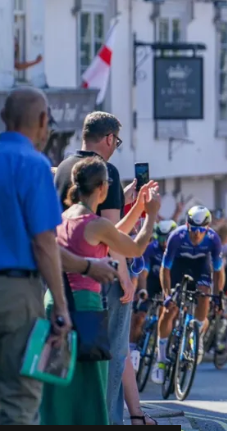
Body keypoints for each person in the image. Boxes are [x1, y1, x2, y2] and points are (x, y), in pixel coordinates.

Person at [40, 157, 160, 425]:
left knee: (59, 384)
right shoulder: (95, 223)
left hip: (55, 304)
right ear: (103, 189)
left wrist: (138, 206)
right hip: (86, 308)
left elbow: (110, 234)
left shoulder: (66, 217)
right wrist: (150, 214)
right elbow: (135, 247)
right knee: (91, 388)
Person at [52, 111, 147, 424]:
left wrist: (126, 195)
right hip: (96, 281)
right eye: (116, 141)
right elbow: (112, 236)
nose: (115, 146)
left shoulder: (65, 167)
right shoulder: (107, 171)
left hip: (59, 275)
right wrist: (125, 276)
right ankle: (107, 419)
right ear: (108, 138)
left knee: (65, 356)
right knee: (109, 352)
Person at [0, 87, 70, 425]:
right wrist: (59, 304)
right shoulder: (33, 164)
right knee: (19, 398)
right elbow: (45, 243)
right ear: (43, 121)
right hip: (16, 292)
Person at [151, 206, 225, 384]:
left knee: (205, 295)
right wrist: (167, 295)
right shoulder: (177, 236)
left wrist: (218, 295)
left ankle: (196, 337)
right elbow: (165, 269)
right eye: (193, 229)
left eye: (201, 230)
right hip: (178, 265)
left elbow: (218, 271)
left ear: (207, 228)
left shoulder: (214, 239)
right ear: (187, 225)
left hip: (201, 265)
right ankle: (160, 360)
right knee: (169, 311)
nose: (197, 234)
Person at [129, 220, 177, 371]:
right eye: (160, 238)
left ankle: (165, 347)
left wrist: (169, 294)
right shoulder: (151, 249)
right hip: (151, 282)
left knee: (169, 312)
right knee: (139, 317)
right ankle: (132, 349)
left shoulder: (178, 249)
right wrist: (142, 291)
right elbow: (143, 274)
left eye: (166, 239)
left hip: (170, 283)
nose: (163, 243)